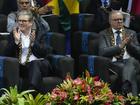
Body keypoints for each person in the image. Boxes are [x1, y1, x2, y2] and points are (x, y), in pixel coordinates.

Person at [5, 10, 53, 91]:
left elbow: (46, 52)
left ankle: (31, 90)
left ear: (31, 23)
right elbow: (6, 54)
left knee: (34, 64)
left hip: (40, 65)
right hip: (22, 67)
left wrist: (33, 43)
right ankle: (33, 93)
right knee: (29, 66)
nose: (20, 23)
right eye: (19, 21)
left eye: (24, 21)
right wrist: (16, 41)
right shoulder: (14, 34)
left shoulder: (39, 33)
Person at [98, 10, 140, 96]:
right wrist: (120, 46)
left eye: (121, 19)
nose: (119, 21)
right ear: (110, 21)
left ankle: (125, 85)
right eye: (116, 20)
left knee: (131, 61)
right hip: (114, 63)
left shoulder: (131, 33)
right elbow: (102, 52)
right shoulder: (103, 34)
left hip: (132, 62)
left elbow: (138, 51)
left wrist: (130, 45)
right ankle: (133, 96)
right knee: (132, 74)